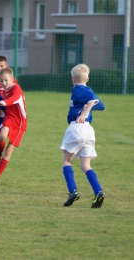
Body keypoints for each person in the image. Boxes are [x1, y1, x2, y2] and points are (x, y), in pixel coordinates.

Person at [60, 64, 105, 208]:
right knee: (86, 165)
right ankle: (98, 192)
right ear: (88, 79)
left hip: (77, 127)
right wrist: (88, 107)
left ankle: (73, 191)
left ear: (73, 79)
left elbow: (93, 101)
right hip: (88, 130)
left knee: (67, 161)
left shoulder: (77, 89)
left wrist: (84, 113)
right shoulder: (88, 89)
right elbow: (101, 105)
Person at [0, 67, 27, 185]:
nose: (4, 83)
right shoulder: (4, 91)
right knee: (2, 136)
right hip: (9, 117)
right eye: (1, 81)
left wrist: (4, 102)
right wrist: (1, 112)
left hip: (19, 122)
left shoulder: (16, 88)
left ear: (12, 79)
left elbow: (14, 99)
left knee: (8, 151)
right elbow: (9, 109)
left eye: (6, 80)